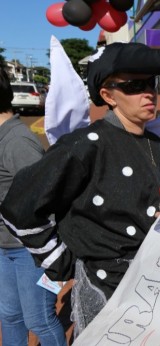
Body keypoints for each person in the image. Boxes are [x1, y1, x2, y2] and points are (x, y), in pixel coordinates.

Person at [0, 42, 160, 336]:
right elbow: (20, 206)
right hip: (104, 292)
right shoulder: (84, 145)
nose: (148, 92)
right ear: (108, 95)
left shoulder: (159, 148)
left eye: (151, 83)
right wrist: (63, 261)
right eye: (134, 85)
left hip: (156, 286)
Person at [0, 69, 67, 345]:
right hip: (5, 248)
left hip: (31, 251)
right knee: (10, 315)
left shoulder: (17, 142)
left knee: (38, 318)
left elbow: (47, 196)